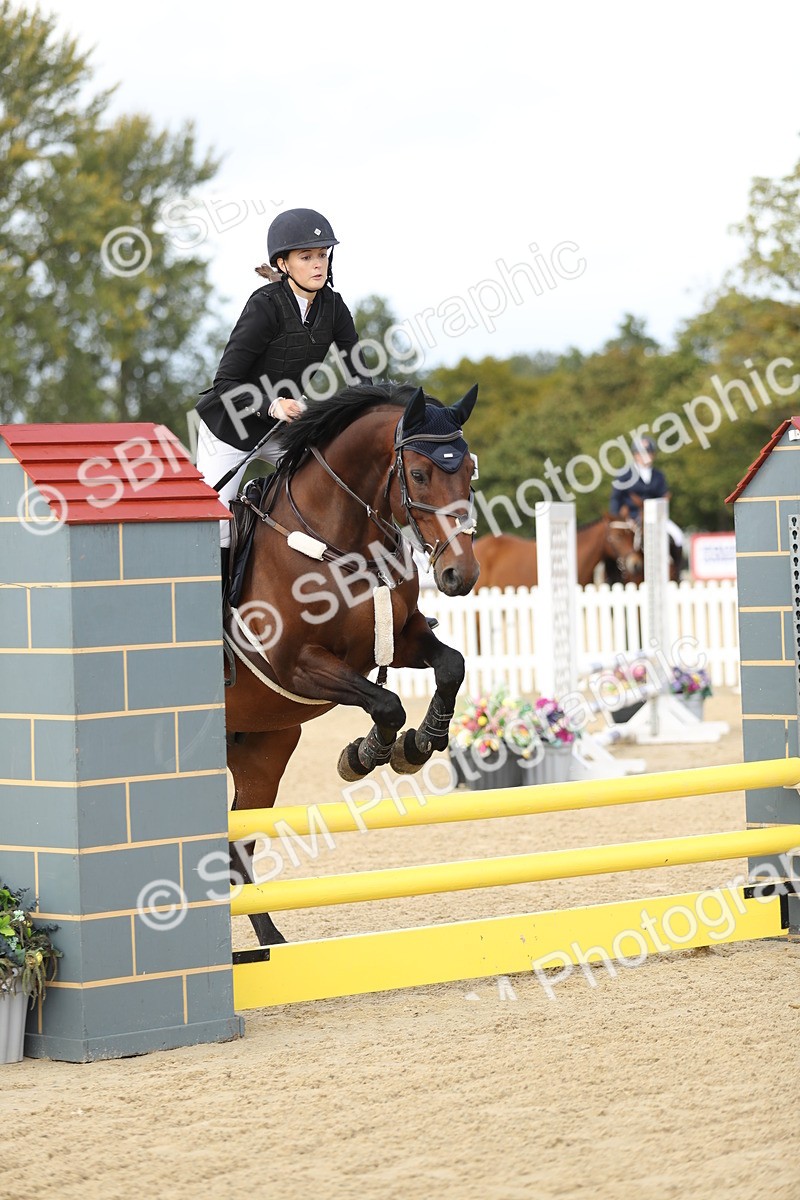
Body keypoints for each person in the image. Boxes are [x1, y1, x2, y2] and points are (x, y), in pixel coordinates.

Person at [195, 207, 369, 570]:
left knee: (333, 486)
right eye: (307, 256)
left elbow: (359, 376)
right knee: (216, 527)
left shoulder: (334, 309)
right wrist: (272, 406)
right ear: (284, 263)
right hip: (229, 429)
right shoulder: (264, 306)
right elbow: (225, 382)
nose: (318, 263)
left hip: (281, 431)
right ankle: (216, 612)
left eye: (322, 255)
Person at [609, 435, 683, 575]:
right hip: (631, 518)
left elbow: (663, 495)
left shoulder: (658, 475)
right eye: (642, 453)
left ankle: (677, 572)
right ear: (635, 455)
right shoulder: (625, 475)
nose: (646, 456)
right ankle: (616, 573)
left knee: (678, 536)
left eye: (649, 453)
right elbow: (616, 498)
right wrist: (617, 518)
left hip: (656, 516)